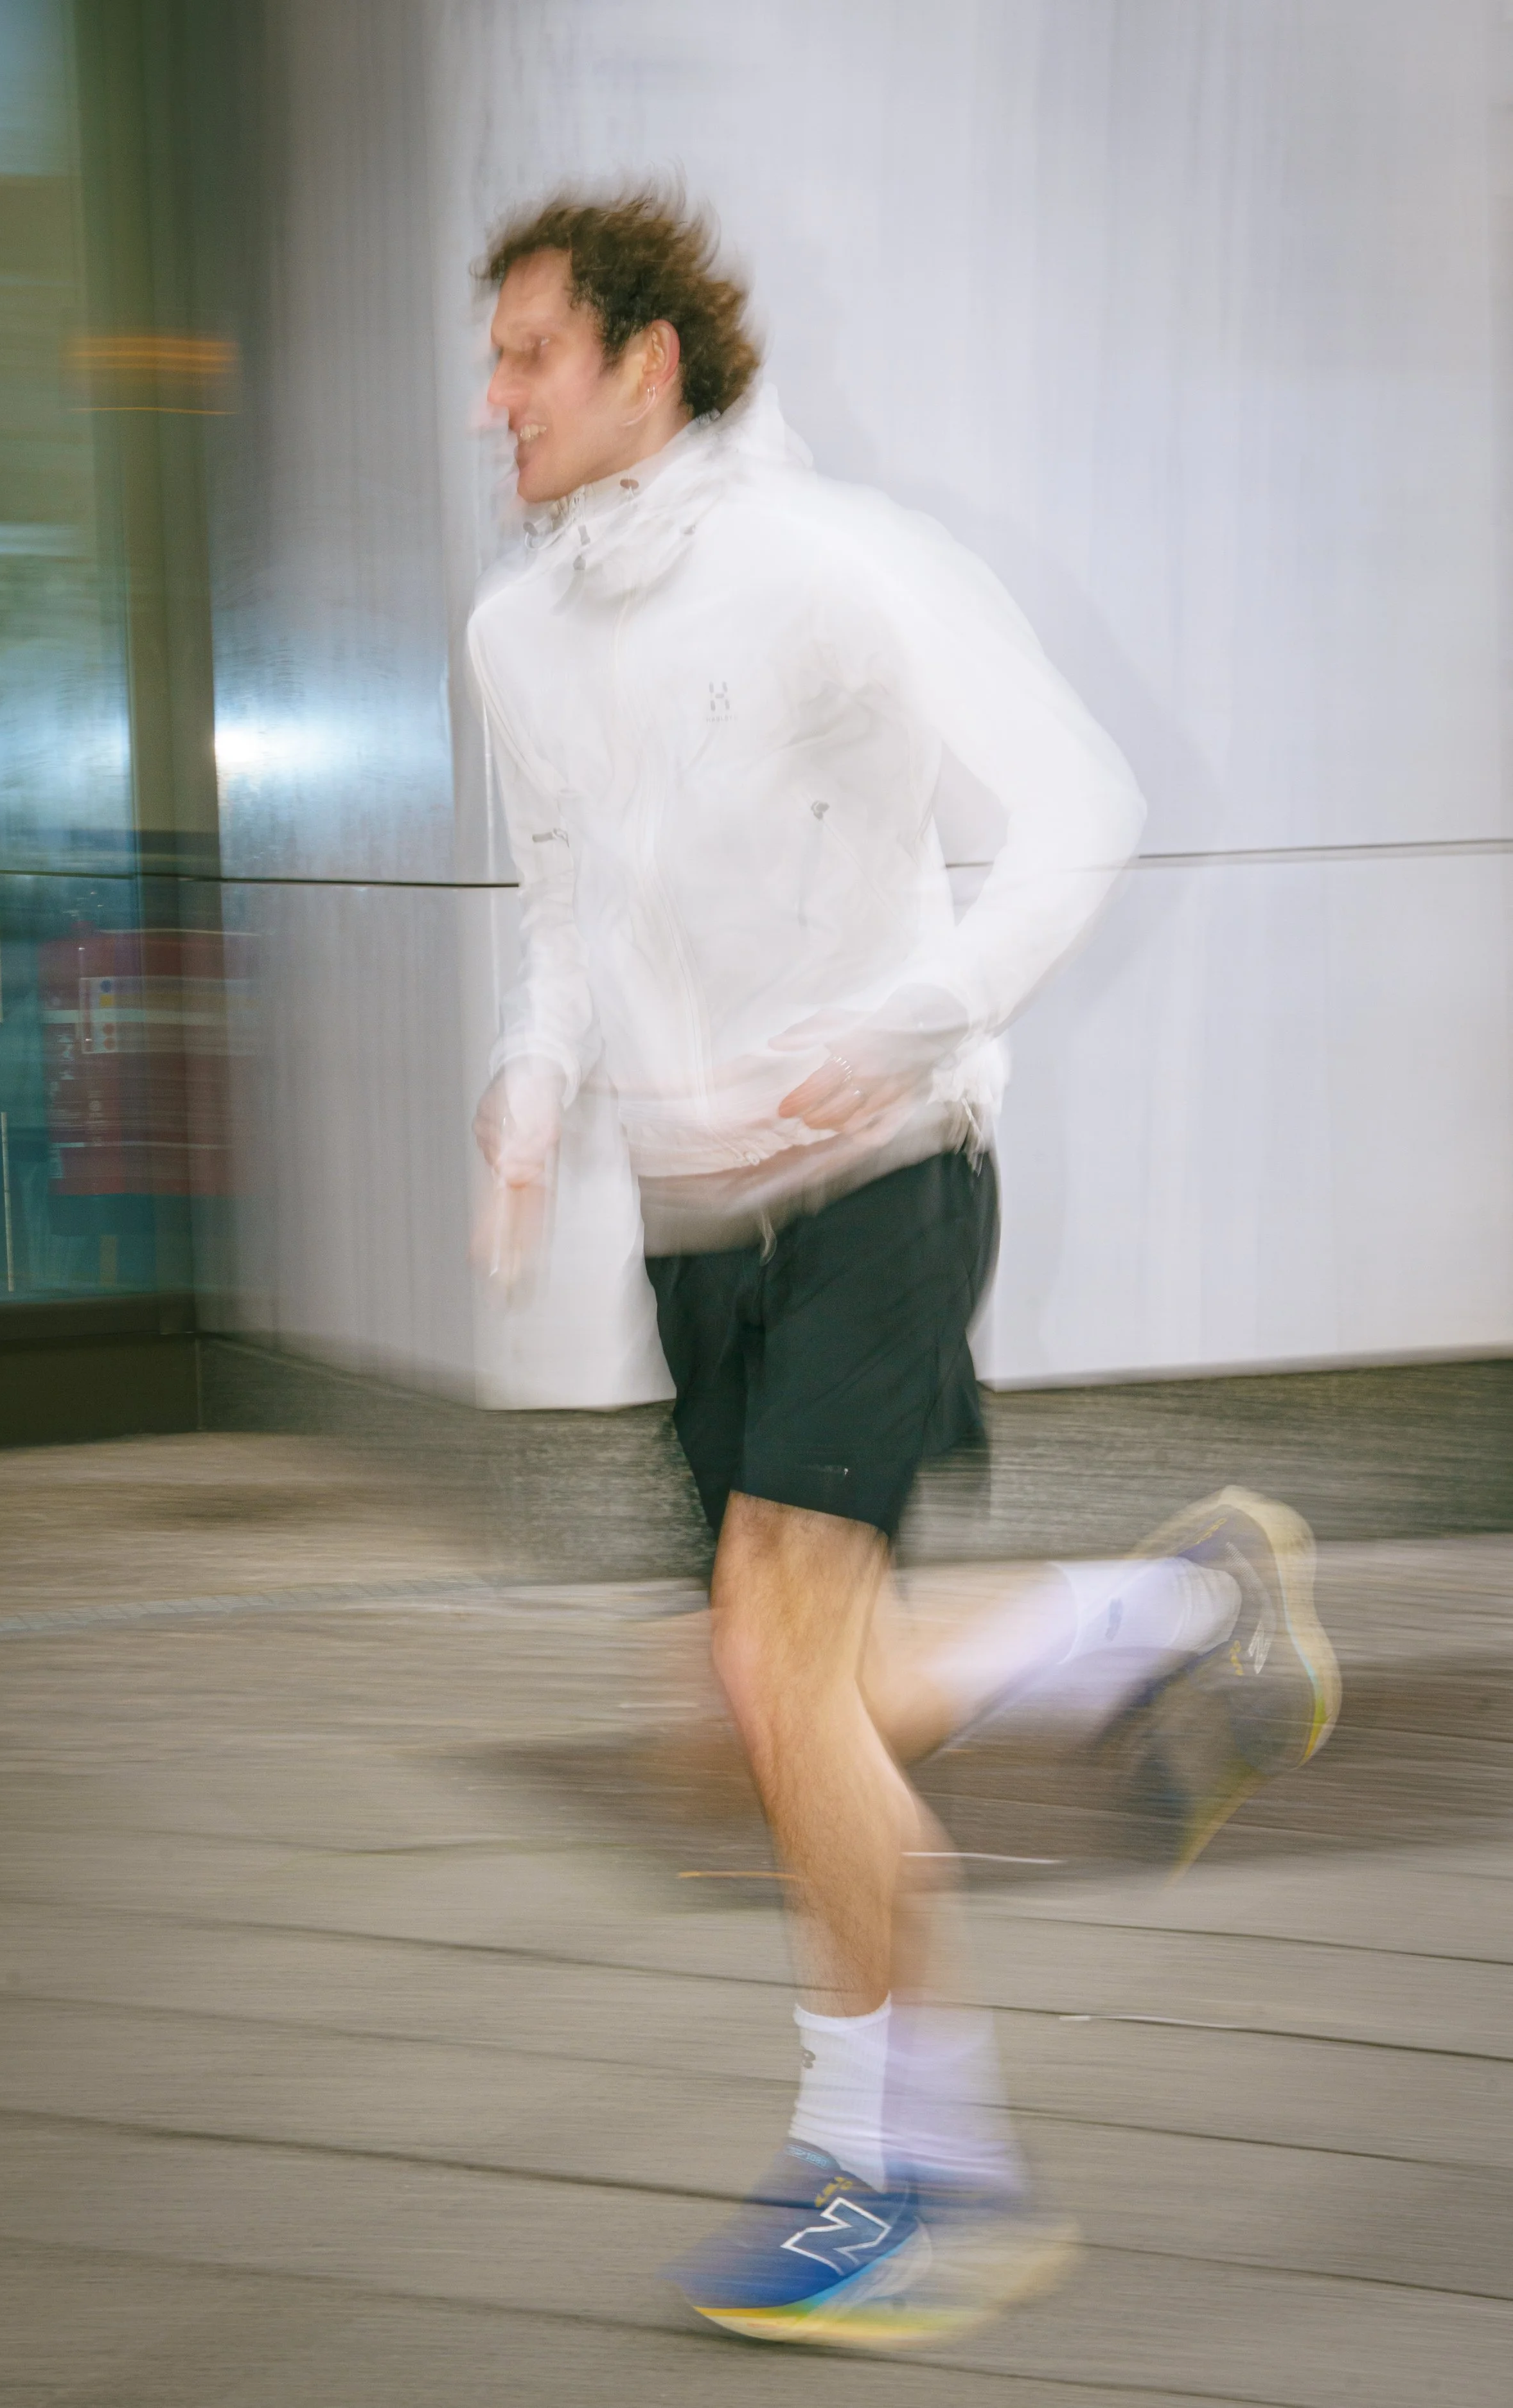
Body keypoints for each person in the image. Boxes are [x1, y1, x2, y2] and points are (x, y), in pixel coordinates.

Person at [468, 189, 1340, 2351]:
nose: (493, 400)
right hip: (697, 1236)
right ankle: (1175, 1612)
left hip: (882, 1176)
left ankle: (905, 2168)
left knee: (779, 1682)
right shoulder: (516, 636)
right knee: (781, 1712)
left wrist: (898, 1021)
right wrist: (527, 1073)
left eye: (531, 358)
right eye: (490, 363)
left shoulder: (838, 567)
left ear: (648, 363)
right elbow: (561, 912)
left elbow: (1078, 807)